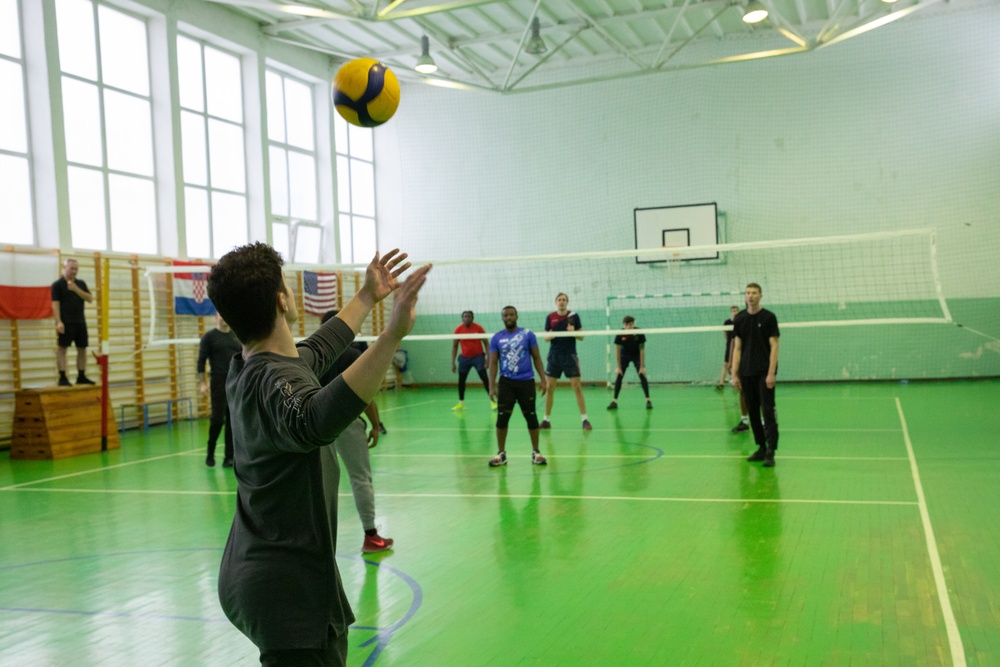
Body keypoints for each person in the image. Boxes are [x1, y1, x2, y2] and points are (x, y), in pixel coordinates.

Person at [209, 242, 430, 667]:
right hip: (285, 591)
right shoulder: (271, 381)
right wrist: (392, 335)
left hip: (264, 574)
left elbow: (319, 349)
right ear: (282, 299)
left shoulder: (253, 364)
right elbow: (315, 416)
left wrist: (367, 296)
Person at [319, 310, 393, 554]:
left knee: (319, 484)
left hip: (315, 421)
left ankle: (318, 542)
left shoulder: (312, 355)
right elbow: (366, 395)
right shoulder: (351, 355)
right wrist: (375, 424)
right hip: (346, 422)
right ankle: (371, 536)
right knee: (360, 477)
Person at [487, 306, 548, 467]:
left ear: (517, 316)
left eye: (511, 314)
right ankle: (501, 454)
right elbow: (493, 363)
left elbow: (537, 357)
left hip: (526, 382)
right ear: (502, 318)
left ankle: (536, 452)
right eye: (505, 315)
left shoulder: (528, 335)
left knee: (531, 416)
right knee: (502, 418)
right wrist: (491, 386)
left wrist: (543, 378)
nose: (509, 317)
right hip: (506, 383)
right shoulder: (496, 338)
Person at [730, 283, 780, 467]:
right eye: (747, 293)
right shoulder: (740, 319)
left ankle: (771, 451)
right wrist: (734, 375)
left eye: (754, 293)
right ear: (745, 296)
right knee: (752, 411)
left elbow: (774, 346)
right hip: (746, 372)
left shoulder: (768, 317)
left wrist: (771, 373)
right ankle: (760, 447)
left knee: (767, 411)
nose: (750, 296)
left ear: (760, 296)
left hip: (763, 373)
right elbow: (737, 348)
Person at [540, 293, 590, 430]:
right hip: (554, 356)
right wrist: (552, 334)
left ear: (567, 302)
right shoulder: (550, 317)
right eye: (559, 300)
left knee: (576, 387)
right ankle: (546, 420)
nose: (561, 302)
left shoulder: (573, 316)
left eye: (564, 300)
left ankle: (585, 420)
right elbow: (545, 337)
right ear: (556, 302)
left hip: (570, 355)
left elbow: (582, 337)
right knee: (550, 387)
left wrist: (573, 332)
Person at [197, 313, 241, 468]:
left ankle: (229, 457)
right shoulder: (209, 337)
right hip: (218, 382)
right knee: (217, 419)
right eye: (220, 316)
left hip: (235, 383)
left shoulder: (236, 337)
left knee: (232, 421)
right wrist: (202, 383)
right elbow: (201, 362)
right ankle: (210, 452)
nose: (223, 318)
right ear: (216, 318)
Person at [51, 258, 95, 386]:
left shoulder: (81, 284)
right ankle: (62, 377)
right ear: (65, 268)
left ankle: (81, 376)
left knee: (82, 349)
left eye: (76, 269)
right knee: (62, 349)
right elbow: (55, 305)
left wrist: (76, 289)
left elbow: (90, 298)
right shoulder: (57, 285)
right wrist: (58, 322)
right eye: (72, 269)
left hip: (80, 322)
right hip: (66, 322)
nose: (74, 271)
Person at [450, 310, 495, 411]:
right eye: (465, 316)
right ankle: (461, 403)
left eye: (469, 316)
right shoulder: (458, 330)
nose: (467, 318)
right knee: (461, 380)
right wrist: (453, 362)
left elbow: (486, 343)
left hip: (478, 357)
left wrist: (488, 358)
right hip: (464, 358)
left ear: (472, 318)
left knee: (484, 377)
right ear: (462, 318)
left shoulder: (478, 328)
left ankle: (493, 402)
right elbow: (455, 346)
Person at [607, 316, 651, 410]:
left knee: (642, 374)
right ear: (624, 325)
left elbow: (642, 350)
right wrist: (618, 367)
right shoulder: (620, 334)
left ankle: (648, 400)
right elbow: (617, 352)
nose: (629, 326)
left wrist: (642, 366)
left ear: (634, 324)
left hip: (636, 355)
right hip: (624, 355)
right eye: (626, 324)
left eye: (631, 324)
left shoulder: (639, 333)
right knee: (619, 375)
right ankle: (614, 401)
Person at [716, 305, 740, 390]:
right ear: (731, 311)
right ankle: (721, 384)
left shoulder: (740, 321)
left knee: (737, 364)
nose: (734, 311)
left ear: (738, 311)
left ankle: (736, 383)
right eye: (733, 310)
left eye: (736, 310)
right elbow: (725, 334)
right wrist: (729, 343)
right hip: (729, 345)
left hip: (738, 345)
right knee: (726, 364)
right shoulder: (727, 322)